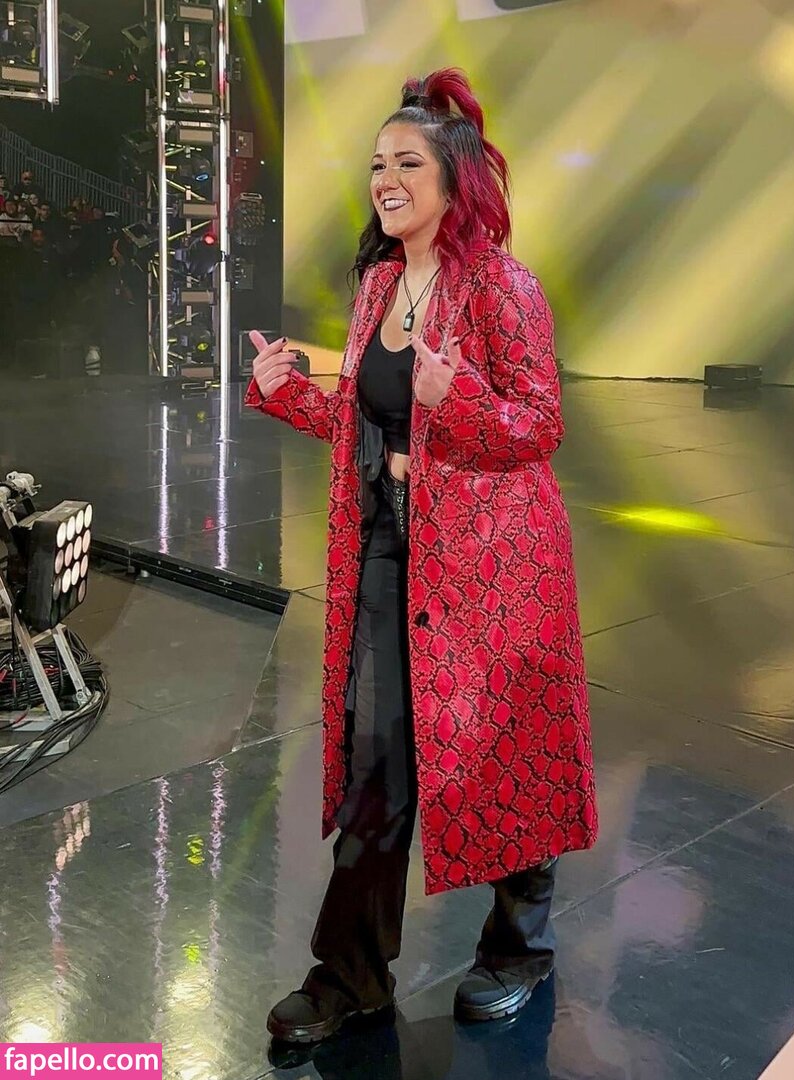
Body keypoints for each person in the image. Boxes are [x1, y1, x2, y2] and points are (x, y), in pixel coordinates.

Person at [247, 67, 597, 1046]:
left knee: (503, 755)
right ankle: (350, 974)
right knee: (377, 763)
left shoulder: (503, 286)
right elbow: (365, 420)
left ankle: (519, 947)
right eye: (376, 165)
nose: (385, 180)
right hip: (388, 559)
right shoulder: (378, 287)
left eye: (407, 163)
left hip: (494, 569)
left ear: (453, 179)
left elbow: (539, 426)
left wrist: (461, 398)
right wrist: (284, 390)